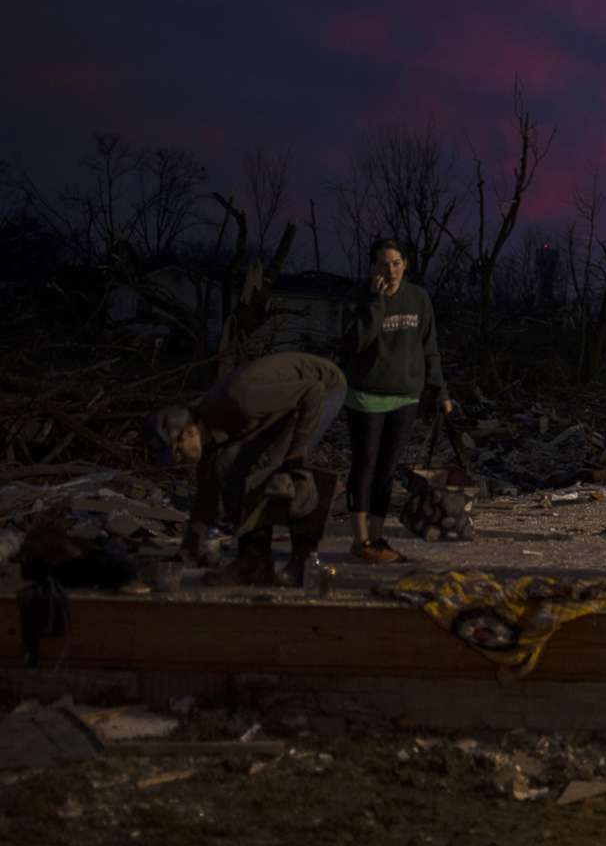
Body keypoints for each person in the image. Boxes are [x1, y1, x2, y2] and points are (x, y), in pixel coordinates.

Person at [155, 351, 348, 588]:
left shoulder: (241, 399)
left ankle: (304, 564)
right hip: (279, 401)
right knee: (228, 466)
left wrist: (296, 454)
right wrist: (190, 547)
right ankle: (253, 563)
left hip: (323, 387)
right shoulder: (206, 425)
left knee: (283, 469)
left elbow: (313, 391)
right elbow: (208, 489)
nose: (179, 459)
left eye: (177, 451)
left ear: (191, 432)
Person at [341, 237, 453, 563]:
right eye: (383, 264)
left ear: (405, 264)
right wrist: (376, 303)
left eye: (396, 263)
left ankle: (377, 539)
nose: (390, 270)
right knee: (365, 466)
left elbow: (429, 348)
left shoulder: (418, 299)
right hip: (366, 395)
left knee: (388, 470)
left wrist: (441, 392)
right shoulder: (359, 297)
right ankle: (359, 541)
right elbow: (355, 343)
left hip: (405, 396)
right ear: (373, 268)